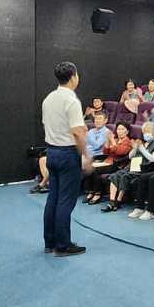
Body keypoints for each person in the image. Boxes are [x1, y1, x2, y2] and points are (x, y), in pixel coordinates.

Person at [41, 61, 90, 257]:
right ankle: (63, 245)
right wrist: (86, 155)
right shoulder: (72, 101)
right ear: (73, 77)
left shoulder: (48, 99)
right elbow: (77, 132)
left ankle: (50, 242)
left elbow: (45, 126)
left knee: (53, 197)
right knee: (65, 201)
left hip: (52, 151)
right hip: (68, 154)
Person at [102, 121, 154, 212]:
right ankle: (112, 201)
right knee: (115, 175)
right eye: (144, 132)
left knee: (125, 176)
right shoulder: (140, 142)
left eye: (148, 132)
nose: (146, 134)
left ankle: (119, 201)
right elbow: (130, 156)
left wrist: (141, 148)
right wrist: (135, 148)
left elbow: (153, 159)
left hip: (143, 167)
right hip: (131, 165)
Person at [83, 120, 133, 205]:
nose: (120, 131)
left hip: (117, 165)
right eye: (118, 129)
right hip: (106, 162)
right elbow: (105, 151)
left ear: (127, 131)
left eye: (122, 129)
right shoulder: (115, 140)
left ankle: (98, 194)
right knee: (89, 168)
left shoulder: (128, 142)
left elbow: (120, 152)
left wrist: (112, 140)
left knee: (96, 170)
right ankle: (90, 192)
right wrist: (108, 140)